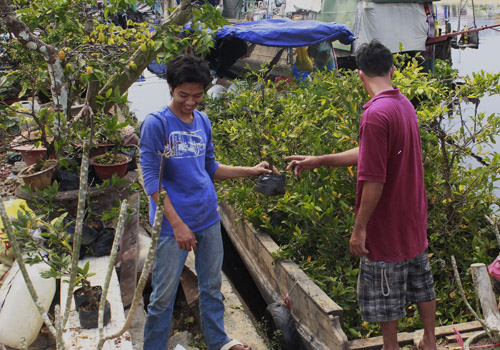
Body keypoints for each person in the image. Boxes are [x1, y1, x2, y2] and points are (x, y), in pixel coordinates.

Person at [285, 40, 437, 350]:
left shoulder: (375, 115)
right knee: (421, 281)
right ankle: (430, 340)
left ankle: (390, 346)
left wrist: (360, 228)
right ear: (392, 70)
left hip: (387, 223)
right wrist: (318, 161)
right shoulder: (403, 104)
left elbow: (374, 179)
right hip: (412, 218)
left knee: (385, 289)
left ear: (359, 74)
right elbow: (370, 154)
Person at [140, 54, 273, 350]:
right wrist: (177, 225)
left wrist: (250, 171)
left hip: (207, 218)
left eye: (198, 95)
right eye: (183, 95)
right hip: (172, 226)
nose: (190, 101)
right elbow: (151, 181)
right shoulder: (157, 124)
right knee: (163, 296)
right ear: (171, 89)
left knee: (212, 287)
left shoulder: (202, 120)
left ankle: (218, 341)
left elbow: (210, 167)